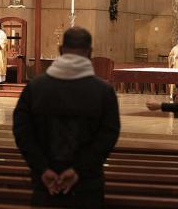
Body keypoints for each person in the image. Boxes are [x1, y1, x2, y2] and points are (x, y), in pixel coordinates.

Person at [13, 27, 120, 208]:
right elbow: (108, 136)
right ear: (90, 52)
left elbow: (22, 133)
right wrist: (79, 170)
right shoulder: (103, 91)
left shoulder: (35, 88)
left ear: (61, 50)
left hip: (45, 185)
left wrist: (43, 168)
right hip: (87, 186)